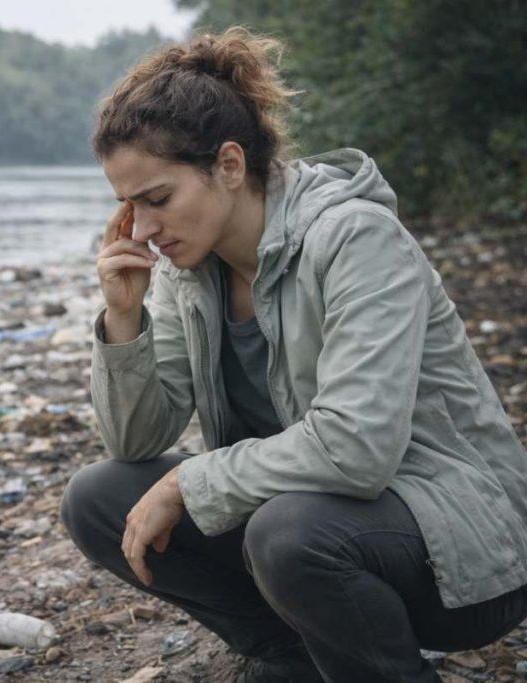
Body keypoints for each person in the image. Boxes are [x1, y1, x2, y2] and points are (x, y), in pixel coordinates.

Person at [59, 25, 527, 683]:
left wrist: (188, 481)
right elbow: (134, 441)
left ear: (229, 166)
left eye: (157, 198)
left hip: (463, 551)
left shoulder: (355, 238)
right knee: (97, 498)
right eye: (127, 207)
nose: (141, 228)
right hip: (309, 525)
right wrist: (123, 318)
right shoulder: (190, 269)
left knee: (286, 531)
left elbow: (357, 447)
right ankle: (298, 658)